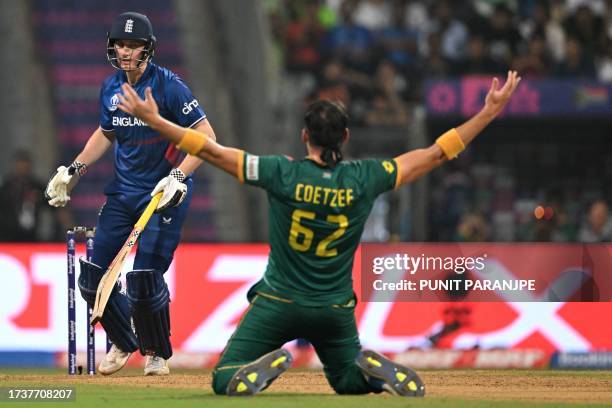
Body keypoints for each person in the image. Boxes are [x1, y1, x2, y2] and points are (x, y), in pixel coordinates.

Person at [117, 71, 521, 396]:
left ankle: (261, 369)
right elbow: (435, 153)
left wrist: (154, 120)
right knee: (346, 381)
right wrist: (487, 114)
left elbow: (208, 150)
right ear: (345, 138)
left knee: (225, 376)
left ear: (304, 136)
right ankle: (369, 373)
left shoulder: (282, 173)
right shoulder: (365, 178)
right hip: (334, 309)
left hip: (278, 302)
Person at [44, 12, 216, 376]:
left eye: (134, 45)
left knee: (143, 278)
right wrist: (72, 170)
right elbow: (106, 132)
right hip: (124, 194)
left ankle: (156, 353)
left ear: (148, 49)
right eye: (121, 44)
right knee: (91, 278)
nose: (126, 51)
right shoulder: (110, 88)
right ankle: (124, 340)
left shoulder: (169, 87)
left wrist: (177, 177)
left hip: (162, 194)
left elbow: (207, 137)